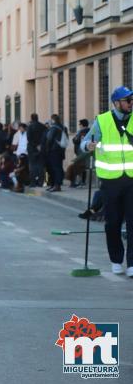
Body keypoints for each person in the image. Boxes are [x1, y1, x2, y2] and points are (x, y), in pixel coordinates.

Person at [81, 86, 133, 277]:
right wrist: (88, 145)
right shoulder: (102, 121)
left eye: (132, 99)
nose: (131, 103)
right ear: (117, 103)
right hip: (110, 181)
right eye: (128, 100)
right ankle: (116, 260)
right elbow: (84, 142)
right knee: (113, 223)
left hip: (132, 181)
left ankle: (132, 263)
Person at [44, 114, 68, 192]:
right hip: (61, 150)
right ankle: (56, 184)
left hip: (54, 151)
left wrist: (47, 149)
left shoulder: (54, 128)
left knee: (55, 168)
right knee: (59, 167)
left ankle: (56, 185)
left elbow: (49, 139)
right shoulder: (63, 127)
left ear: (53, 120)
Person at [27, 113, 47, 187]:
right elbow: (45, 137)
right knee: (41, 166)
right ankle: (41, 182)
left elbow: (29, 138)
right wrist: (40, 145)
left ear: (31, 118)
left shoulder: (30, 127)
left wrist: (35, 145)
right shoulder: (43, 126)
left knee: (32, 166)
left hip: (32, 148)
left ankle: (33, 182)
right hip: (41, 148)